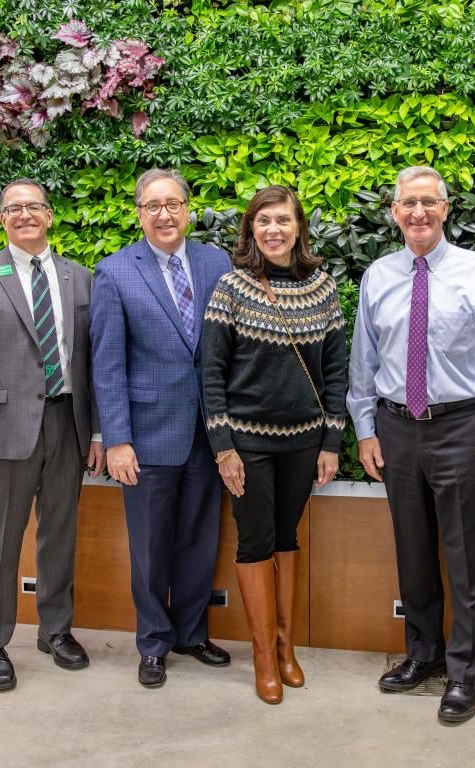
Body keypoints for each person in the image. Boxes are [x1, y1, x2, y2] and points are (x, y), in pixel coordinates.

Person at [347, 166, 475, 724]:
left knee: (467, 558)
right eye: (408, 204)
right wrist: (365, 429)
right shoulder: (377, 275)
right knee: (414, 551)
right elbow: (364, 362)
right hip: (397, 428)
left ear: (446, 209)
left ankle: (464, 673)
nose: (418, 212)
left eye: (429, 202)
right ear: (394, 212)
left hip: (462, 429)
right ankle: (422, 655)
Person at [0, 178, 105, 692]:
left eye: (33, 206)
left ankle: (56, 631)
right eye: (14, 209)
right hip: (4, 432)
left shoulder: (81, 279)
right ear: (2, 219)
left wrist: (97, 431)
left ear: (50, 215)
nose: (24, 215)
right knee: (1, 541)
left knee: (59, 533)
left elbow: (94, 362)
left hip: (67, 423)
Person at [202, 185, 346, 704]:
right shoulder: (231, 289)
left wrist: (331, 441)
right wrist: (224, 446)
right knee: (255, 541)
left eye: (283, 220)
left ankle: (287, 648)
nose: (274, 230)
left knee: (288, 538)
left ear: (298, 228)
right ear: (251, 230)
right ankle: (263, 655)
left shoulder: (323, 289)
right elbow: (212, 374)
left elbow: (335, 372)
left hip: (304, 443)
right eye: (263, 221)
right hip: (248, 444)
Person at [90, 168, 231, 688]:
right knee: (150, 547)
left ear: (188, 209)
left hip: (209, 433)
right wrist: (118, 439)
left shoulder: (217, 264)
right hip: (147, 436)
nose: (164, 214)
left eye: (173, 204)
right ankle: (153, 644)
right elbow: (106, 365)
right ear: (139, 213)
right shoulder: (115, 272)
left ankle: (191, 634)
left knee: (200, 538)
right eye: (153, 206)